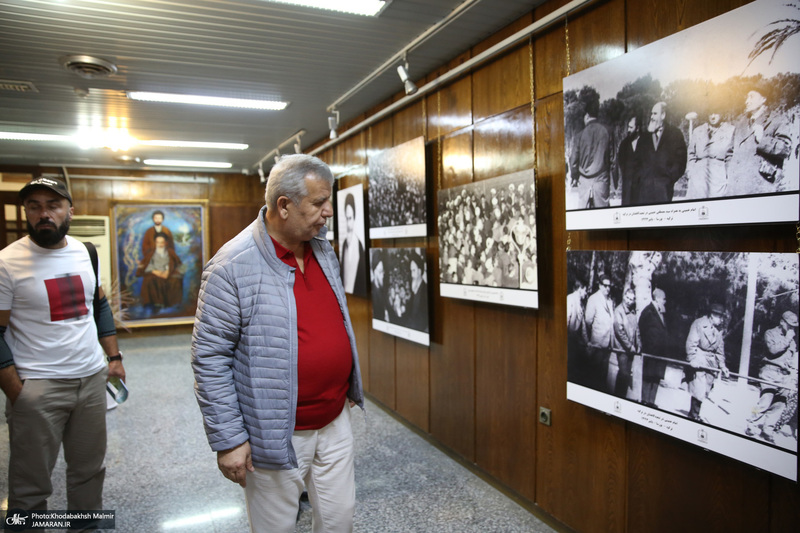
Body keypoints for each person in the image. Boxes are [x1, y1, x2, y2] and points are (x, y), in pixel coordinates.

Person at [191, 154, 364, 533]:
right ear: (284, 206)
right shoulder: (231, 267)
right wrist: (229, 440)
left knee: (339, 522)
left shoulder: (323, 251)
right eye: (319, 203)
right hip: (274, 432)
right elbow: (209, 358)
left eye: (328, 201)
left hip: (334, 420)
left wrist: (346, 379)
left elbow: (333, 321)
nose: (328, 212)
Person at [0, 177, 125, 512]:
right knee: (30, 483)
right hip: (38, 384)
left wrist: (113, 357)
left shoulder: (86, 252)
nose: (44, 214)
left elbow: (98, 305)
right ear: (26, 212)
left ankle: (84, 525)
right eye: (35, 206)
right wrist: (17, 391)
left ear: (70, 210)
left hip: (90, 379)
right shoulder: (7, 261)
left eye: (53, 205)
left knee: (89, 471)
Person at [729, 87, 793, 196]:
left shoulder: (776, 119)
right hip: (736, 187)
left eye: (752, 97)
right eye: (746, 98)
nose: (747, 101)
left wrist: (763, 139)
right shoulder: (741, 122)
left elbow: (785, 150)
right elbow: (731, 151)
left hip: (761, 186)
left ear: (763, 99)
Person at [745, 311, 798, 443]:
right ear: (782, 322)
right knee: (764, 401)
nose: (792, 328)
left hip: (784, 375)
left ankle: (767, 430)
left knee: (779, 404)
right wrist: (787, 339)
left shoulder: (791, 340)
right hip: (770, 371)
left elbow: (791, 357)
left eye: (794, 326)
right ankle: (751, 424)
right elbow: (773, 350)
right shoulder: (770, 333)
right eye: (790, 325)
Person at [633, 102, 687, 205]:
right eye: (651, 114)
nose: (651, 117)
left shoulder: (675, 134)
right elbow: (636, 162)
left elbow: (681, 161)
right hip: (645, 190)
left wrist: (669, 179)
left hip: (664, 189)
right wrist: (641, 179)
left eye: (655, 114)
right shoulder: (644, 137)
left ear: (663, 115)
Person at [685, 304, 729, 422]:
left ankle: (694, 413)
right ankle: (694, 415)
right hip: (699, 358)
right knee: (698, 387)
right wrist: (692, 358)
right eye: (720, 317)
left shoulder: (719, 330)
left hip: (711, 362)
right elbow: (691, 342)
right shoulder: (699, 324)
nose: (721, 320)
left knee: (705, 389)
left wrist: (723, 366)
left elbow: (720, 351)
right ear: (712, 315)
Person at [569, 99, 612, 208]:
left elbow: (573, 161)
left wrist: (574, 176)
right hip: (601, 182)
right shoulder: (607, 132)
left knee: (585, 219)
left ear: (587, 115)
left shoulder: (579, 136)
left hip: (584, 182)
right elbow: (613, 160)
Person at [685, 107, 735, 199]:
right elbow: (691, 153)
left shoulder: (730, 130)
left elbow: (730, 156)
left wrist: (729, 177)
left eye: (716, 113)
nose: (712, 116)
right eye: (710, 113)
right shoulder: (698, 131)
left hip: (718, 176)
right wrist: (691, 171)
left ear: (722, 113)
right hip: (698, 176)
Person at [639, 288, 669, 408]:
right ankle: (645, 401)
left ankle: (651, 402)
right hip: (650, 352)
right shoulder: (648, 311)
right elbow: (642, 329)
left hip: (660, 354)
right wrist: (646, 346)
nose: (665, 302)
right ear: (657, 298)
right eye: (663, 299)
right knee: (648, 377)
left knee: (656, 377)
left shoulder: (661, 313)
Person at [137, 233, 183, 309]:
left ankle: (172, 304)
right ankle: (156, 304)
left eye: (162, 242)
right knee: (150, 279)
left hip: (168, 272)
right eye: (158, 242)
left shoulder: (170, 252)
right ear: (155, 243)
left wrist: (167, 272)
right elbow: (147, 266)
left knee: (175, 279)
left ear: (165, 243)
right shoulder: (151, 253)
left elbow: (176, 264)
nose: (160, 245)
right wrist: (157, 272)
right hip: (155, 272)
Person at [584, 276, 615, 391]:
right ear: (600, 285)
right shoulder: (593, 299)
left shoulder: (610, 301)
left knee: (603, 377)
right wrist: (593, 337)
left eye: (609, 286)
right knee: (593, 377)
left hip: (607, 345)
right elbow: (588, 321)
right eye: (605, 286)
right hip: (596, 344)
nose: (608, 288)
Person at [612, 288, 640, 398]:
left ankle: (620, 397)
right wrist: (629, 346)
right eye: (628, 298)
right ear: (624, 296)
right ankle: (617, 397)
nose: (629, 301)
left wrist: (639, 345)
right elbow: (620, 331)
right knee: (624, 374)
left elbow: (637, 330)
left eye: (632, 299)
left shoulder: (633, 312)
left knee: (626, 376)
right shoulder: (619, 311)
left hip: (631, 350)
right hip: (622, 349)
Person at [339, 192, 367, 295]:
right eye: (346, 218)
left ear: (354, 218)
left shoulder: (360, 247)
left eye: (350, 218)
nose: (348, 223)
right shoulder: (344, 244)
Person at [614, 114, 642, 206]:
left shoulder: (646, 142)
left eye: (631, 127)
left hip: (641, 189)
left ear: (637, 128)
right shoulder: (624, 144)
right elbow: (621, 164)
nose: (628, 130)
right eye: (628, 127)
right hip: (628, 189)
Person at [403, 253, 428, 332]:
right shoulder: (414, 288)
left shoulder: (425, 290)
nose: (411, 274)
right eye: (411, 271)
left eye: (413, 270)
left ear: (420, 271)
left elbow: (422, 321)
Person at [371, 256, 389, 322]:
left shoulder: (383, 288)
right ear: (375, 272)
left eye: (383, 271)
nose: (383, 275)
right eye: (380, 271)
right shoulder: (371, 291)